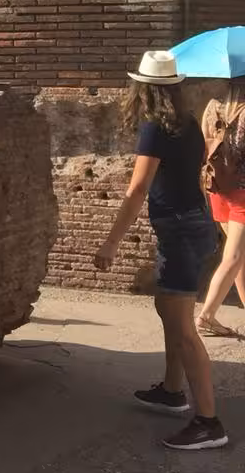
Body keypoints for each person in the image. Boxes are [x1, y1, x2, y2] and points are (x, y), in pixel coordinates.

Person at [95, 49, 228, 450]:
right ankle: (172, 391)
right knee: (168, 308)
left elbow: (138, 189)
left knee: (184, 329)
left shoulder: (154, 128)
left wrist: (111, 243)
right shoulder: (186, 123)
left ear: (143, 89)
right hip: (193, 226)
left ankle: (209, 423)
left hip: (182, 231)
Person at [195, 80, 245, 339]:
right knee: (234, 257)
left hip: (218, 189)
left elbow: (205, 148)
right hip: (242, 192)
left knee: (238, 256)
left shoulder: (212, 107)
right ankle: (207, 316)